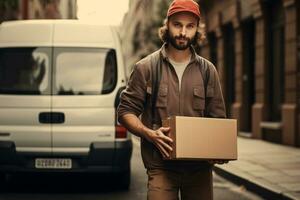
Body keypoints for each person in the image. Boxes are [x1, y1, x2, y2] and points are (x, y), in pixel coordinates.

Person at [118, 0, 227, 199]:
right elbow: (125, 112)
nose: (183, 32)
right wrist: (149, 134)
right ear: (167, 24)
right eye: (177, 24)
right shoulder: (146, 67)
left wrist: (219, 149)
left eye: (190, 26)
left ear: (197, 29)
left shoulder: (207, 70)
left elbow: (217, 119)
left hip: (199, 170)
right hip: (161, 167)